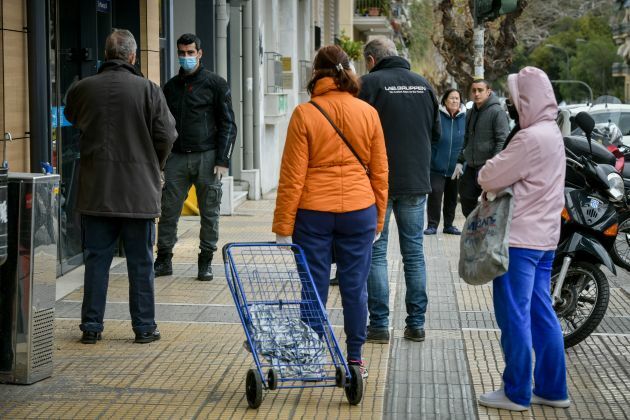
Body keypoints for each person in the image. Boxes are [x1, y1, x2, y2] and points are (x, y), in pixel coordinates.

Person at [272, 45, 388, 378]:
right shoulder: (368, 113)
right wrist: (379, 218)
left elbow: (292, 175)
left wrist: (283, 226)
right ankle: (354, 360)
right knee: (355, 286)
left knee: (313, 285)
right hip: (359, 209)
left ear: (315, 74)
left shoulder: (305, 114)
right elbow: (380, 172)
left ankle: (310, 358)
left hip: (313, 213)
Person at [64, 29, 177, 344]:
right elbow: (167, 135)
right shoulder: (149, 91)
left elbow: (73, 116)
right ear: (132, 56)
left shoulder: (83, 89)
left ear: (106, 54)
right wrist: (154, 163)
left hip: (96, 191)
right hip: (138, 193)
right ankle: (143, 328)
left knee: (96, 259)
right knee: (140, 262)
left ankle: (90, 327)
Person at [477, 66, 569, 411]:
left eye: (516, 98)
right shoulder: (552, 132)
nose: (512, 104)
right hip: (545, 239)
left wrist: (494, 176)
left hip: (519, 241)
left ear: (527, 99)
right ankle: (552, 388)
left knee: (514, 315)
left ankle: (516, 391)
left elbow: (489, 176)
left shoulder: (529, 139)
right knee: (542, 313)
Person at [359, 37, 440, 344]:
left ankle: (379, 325)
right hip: (416, 182)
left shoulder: (368, 84)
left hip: (376, 183)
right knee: (414, 255)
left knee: (376, 253)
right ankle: (416, 324)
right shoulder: (423, 85)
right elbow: (436, 133)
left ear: (370, 60)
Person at [154, 33, 237, 281]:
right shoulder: (170, 87)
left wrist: (223, 159)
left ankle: (205, 261)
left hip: (208, 158)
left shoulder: (216, 84)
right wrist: (161, 159)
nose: (186, 57)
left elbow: (229, 124)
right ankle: (164, 259)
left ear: (200, 53)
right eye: (182, 53)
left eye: (191, 52)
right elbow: (161, 125)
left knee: (210, 212)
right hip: (177, 158)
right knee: (168, 210)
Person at [453, 79, 509, 217]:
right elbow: (466, 139)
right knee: (465, 198)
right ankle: (474, 226)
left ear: (488, 91)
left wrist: (494, 165)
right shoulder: (471, 112)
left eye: (480, 90)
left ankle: (484, 229)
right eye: (474, 90)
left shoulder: (497, 112)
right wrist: (460, 161)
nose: (476, 94)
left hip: (488, 166)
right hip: (471, 166)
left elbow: (502, 140)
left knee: (489, 203)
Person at [424, 88, 466, 236]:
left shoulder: (464, 117)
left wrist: (462, 162)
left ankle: (449, 225)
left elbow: (466, 142)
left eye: (457, 98)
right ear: (445, 100)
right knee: (435, 195)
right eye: (452, 98)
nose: (455, 101)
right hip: (437, 165)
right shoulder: (438, 116)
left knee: (452, 197)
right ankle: (432, 225)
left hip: (456, 167)